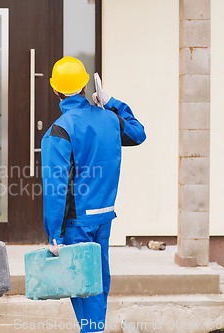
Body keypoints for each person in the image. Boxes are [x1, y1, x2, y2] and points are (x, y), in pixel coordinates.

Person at [41, 56, 146, 333]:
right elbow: (138, 133)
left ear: (55, 90)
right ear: (87, 85)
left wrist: (54, 236)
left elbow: (56, 188)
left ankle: (93, 330)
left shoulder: (60, 130)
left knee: (83, 288)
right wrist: (111, 101)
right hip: (103, 216)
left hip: (78, 223)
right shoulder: (110, 119)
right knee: (98, 283)